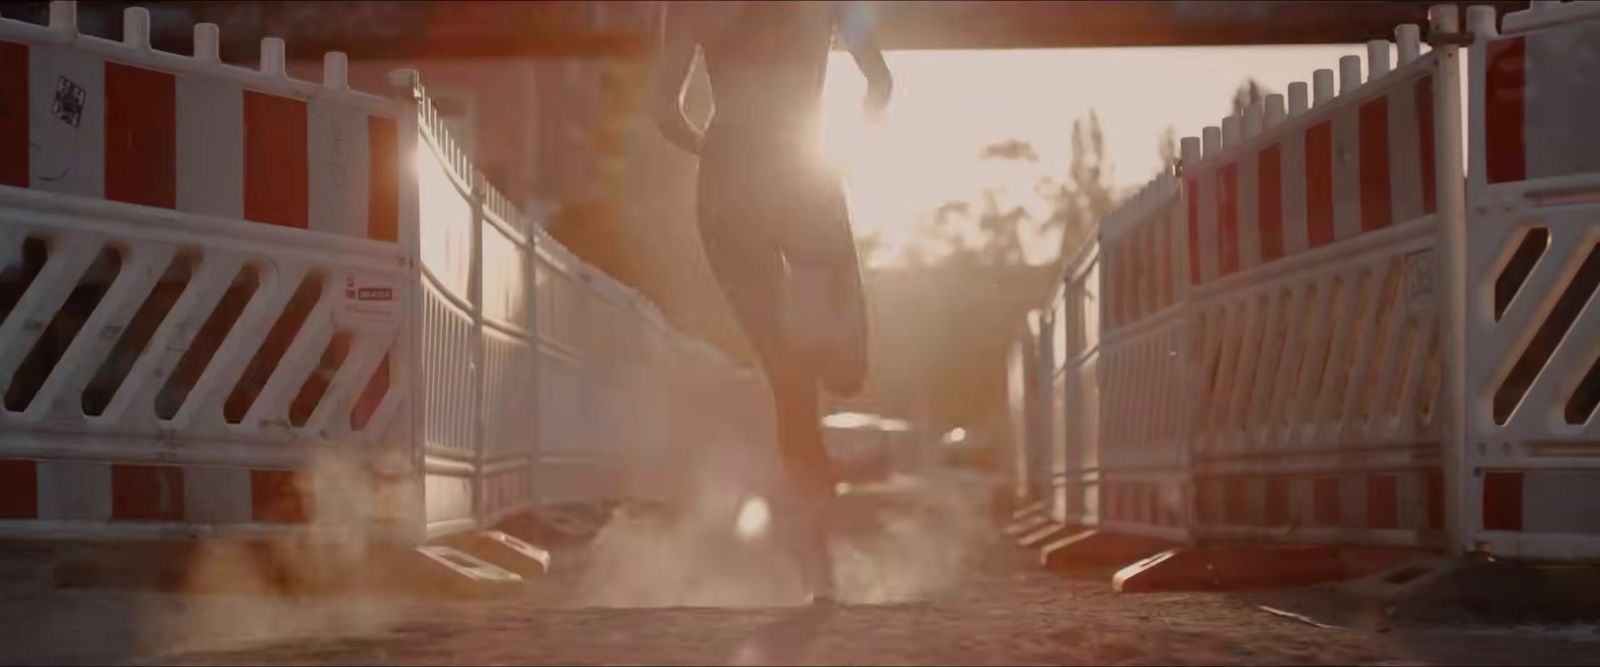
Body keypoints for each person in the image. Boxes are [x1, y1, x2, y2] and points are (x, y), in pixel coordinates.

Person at [651, 0, 892, 605]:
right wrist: (866, 113)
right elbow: (879, 79)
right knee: (837, 371)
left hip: (730, 181)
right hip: (801, 174)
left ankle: (820, 574)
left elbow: (665, 114)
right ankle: (820, 567)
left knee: (794, 381)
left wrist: (720, 151)